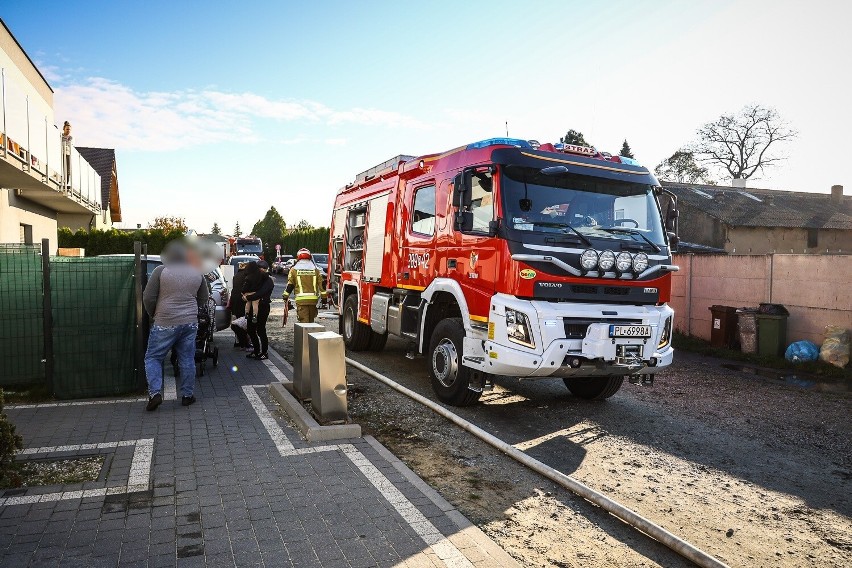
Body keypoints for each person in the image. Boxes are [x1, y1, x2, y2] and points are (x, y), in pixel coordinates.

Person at [143, 241, 208, 410]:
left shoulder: (160, 271)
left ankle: (155, 394)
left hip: (165, 321)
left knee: (153, 357)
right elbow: (203, 298)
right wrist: (193, 311)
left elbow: (148, 298)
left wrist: (153, 315)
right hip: (189, 323)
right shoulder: (197, 273)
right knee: (187, 359)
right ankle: (187, 395)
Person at [282, 248, 327, 324]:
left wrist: (285, 296)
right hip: (313, 300)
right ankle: (310, 335)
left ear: (298, 257)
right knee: (311, 321)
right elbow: (322, 285)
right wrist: (324, 299)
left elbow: (290, 285)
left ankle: (305, 335)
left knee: (304, 323)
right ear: (309, 257)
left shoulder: (294, 270)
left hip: (301, 300)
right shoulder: (315, 270)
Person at [244, 260, 274, 360]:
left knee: (261, 330)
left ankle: (264, 352)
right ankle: (256, 350)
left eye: (263, 269)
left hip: (263, 306)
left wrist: (248, 297)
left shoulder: (268, 280)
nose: (261, 271)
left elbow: (261, 292)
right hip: (254, 307)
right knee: (251, 330)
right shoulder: (255, 278)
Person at [228, 262, 252, 350]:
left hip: (234, 301)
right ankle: (244, 344)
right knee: (243, 323)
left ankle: (238, 342)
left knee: (238, 321)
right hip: (242, 302)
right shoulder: (246, 277)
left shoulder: (236, 276)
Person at [61, 121, 73, 188]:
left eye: (69, 129)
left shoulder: (71, 138)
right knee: (63, 168)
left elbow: (70, 145)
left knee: (68, 170)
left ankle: (66, 182)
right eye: (67, 129)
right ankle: (62, 181)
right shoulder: (61, 136)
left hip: (68, 154)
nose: (68, 131)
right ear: (64, 129)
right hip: (62, 153)